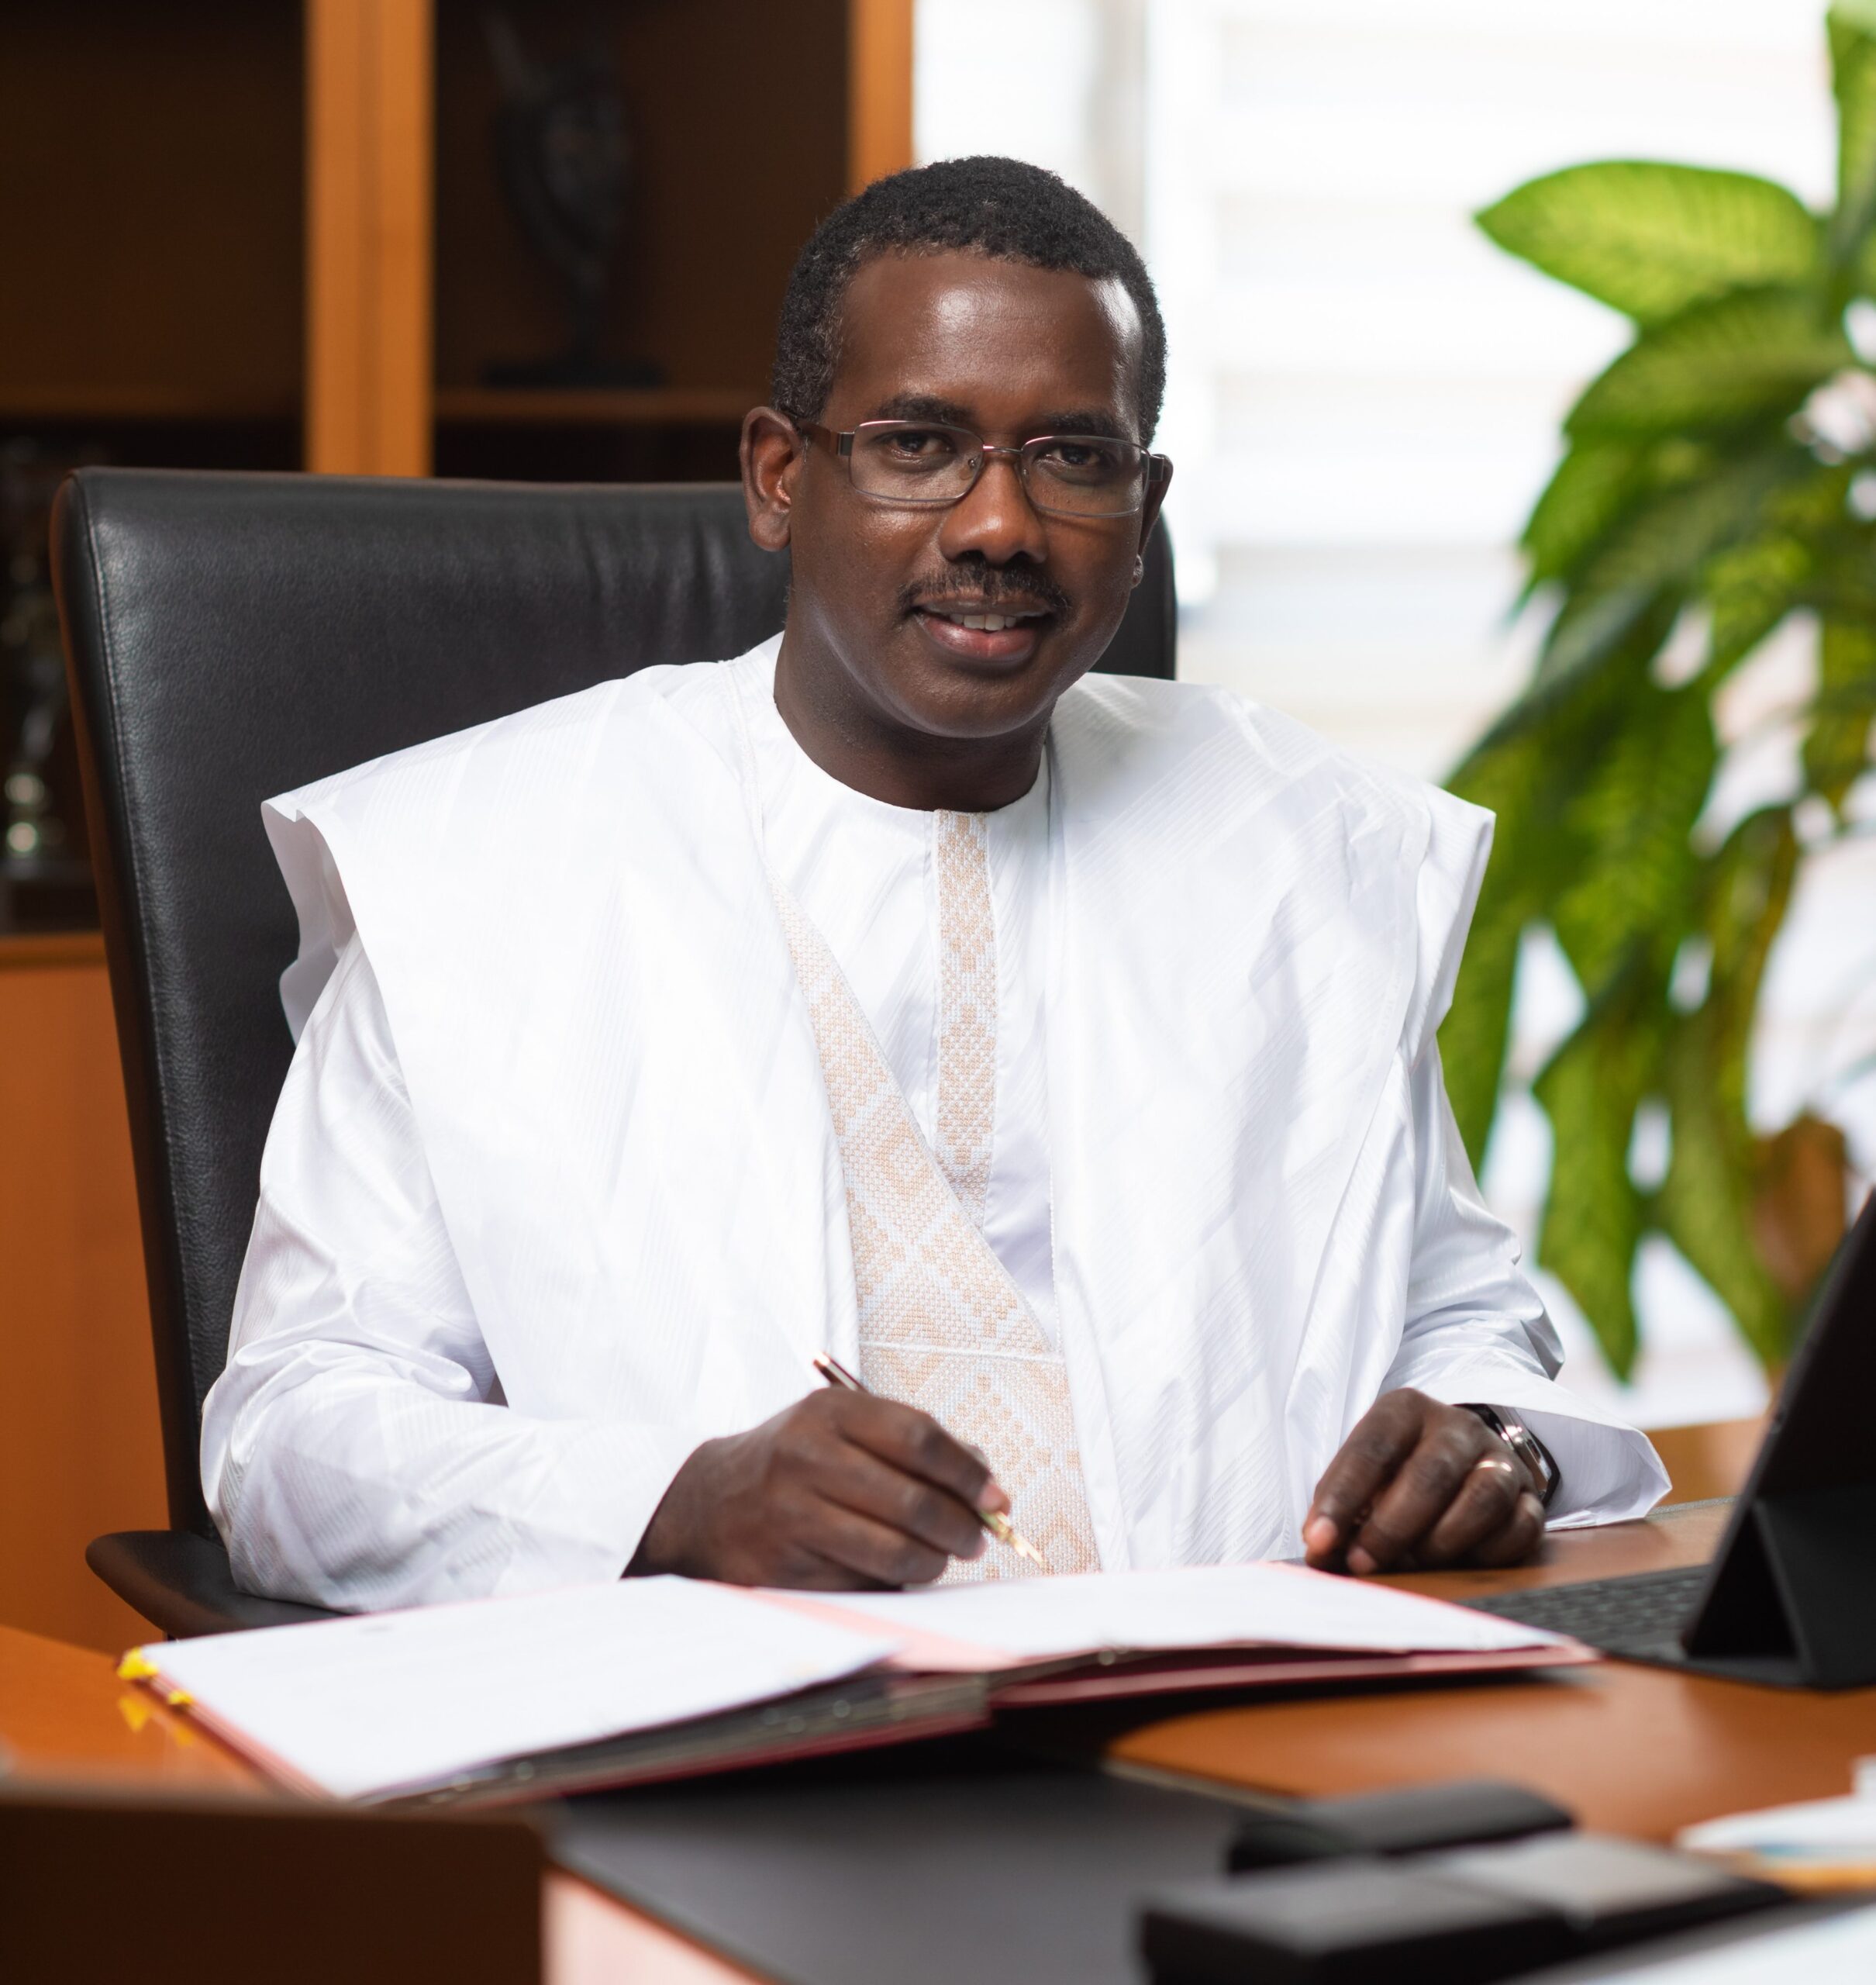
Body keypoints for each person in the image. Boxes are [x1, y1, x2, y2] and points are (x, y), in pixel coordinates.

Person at [202, 156, 1666, 1611]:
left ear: (1141, 504)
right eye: (918, 446)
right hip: (736, 1756)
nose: (998, 527)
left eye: (1073, 458)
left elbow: (1459, 1313)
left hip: (1258, 1723)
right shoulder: (482, 864)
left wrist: (1492, 1441)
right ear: (781, 477)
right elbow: (293, 1433)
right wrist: (675, 1502)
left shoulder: (1296, 841)